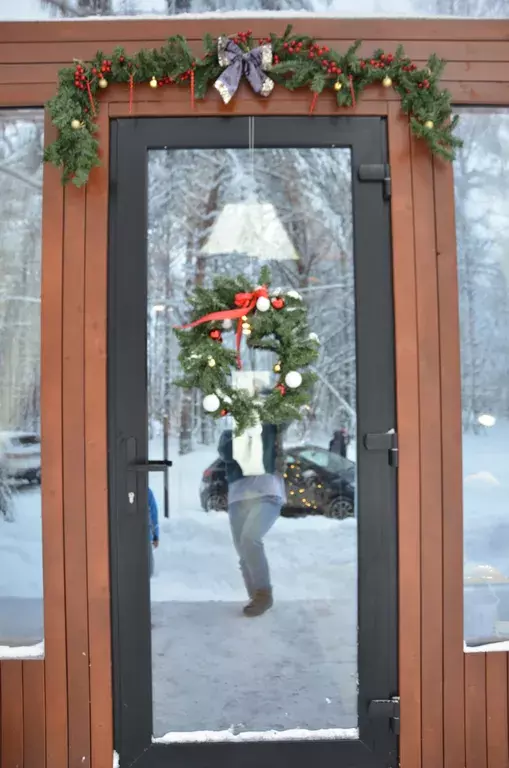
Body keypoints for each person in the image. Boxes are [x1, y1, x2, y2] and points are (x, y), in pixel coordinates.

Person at [218, 423, 285, 618]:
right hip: (238, 499)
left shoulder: (269, 428)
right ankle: (255, 596)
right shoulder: (228, 436)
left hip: (267, 494)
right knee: (243, 550)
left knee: (250, 538)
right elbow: (228, 452)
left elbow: (286, 414)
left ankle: (264, 594)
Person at [148, 487, 159, 577]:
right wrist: (156, 535)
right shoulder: (147, 492)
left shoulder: (148, 492)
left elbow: (153, 515)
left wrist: (156, 535)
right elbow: (153, 515)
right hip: (145, 534)